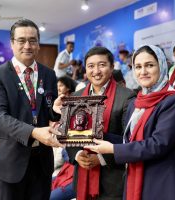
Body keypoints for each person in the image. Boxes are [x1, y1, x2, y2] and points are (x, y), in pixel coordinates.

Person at [85, 45, 175, 200]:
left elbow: (158, 144)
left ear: (161, 65)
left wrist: (113, 149)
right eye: (138, 67)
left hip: (161, 182)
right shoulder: (137, 101)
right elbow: (130, 140)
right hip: (135, 175)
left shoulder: (172, 100)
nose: (143, 72)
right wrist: (95, 134)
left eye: (150, 65)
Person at [0, 19, 63, 200]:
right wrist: (34, 132)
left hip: (41, 163)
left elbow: (48, 111)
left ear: (38, 44)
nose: (27, 45)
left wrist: (57, 111)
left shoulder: (48, 74)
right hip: (9, 163)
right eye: (21, 40)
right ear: (12, 43)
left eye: (33, 40)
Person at [54, 46, 136, 200]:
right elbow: (70, 136)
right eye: (91, 66)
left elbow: (130, 139)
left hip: (113, 178)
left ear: (112, 67)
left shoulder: (127, 96)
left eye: (102, 65)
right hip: (82, 175)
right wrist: (77, 154)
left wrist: (101, 158)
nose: (96, 71)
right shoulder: (76, 96)